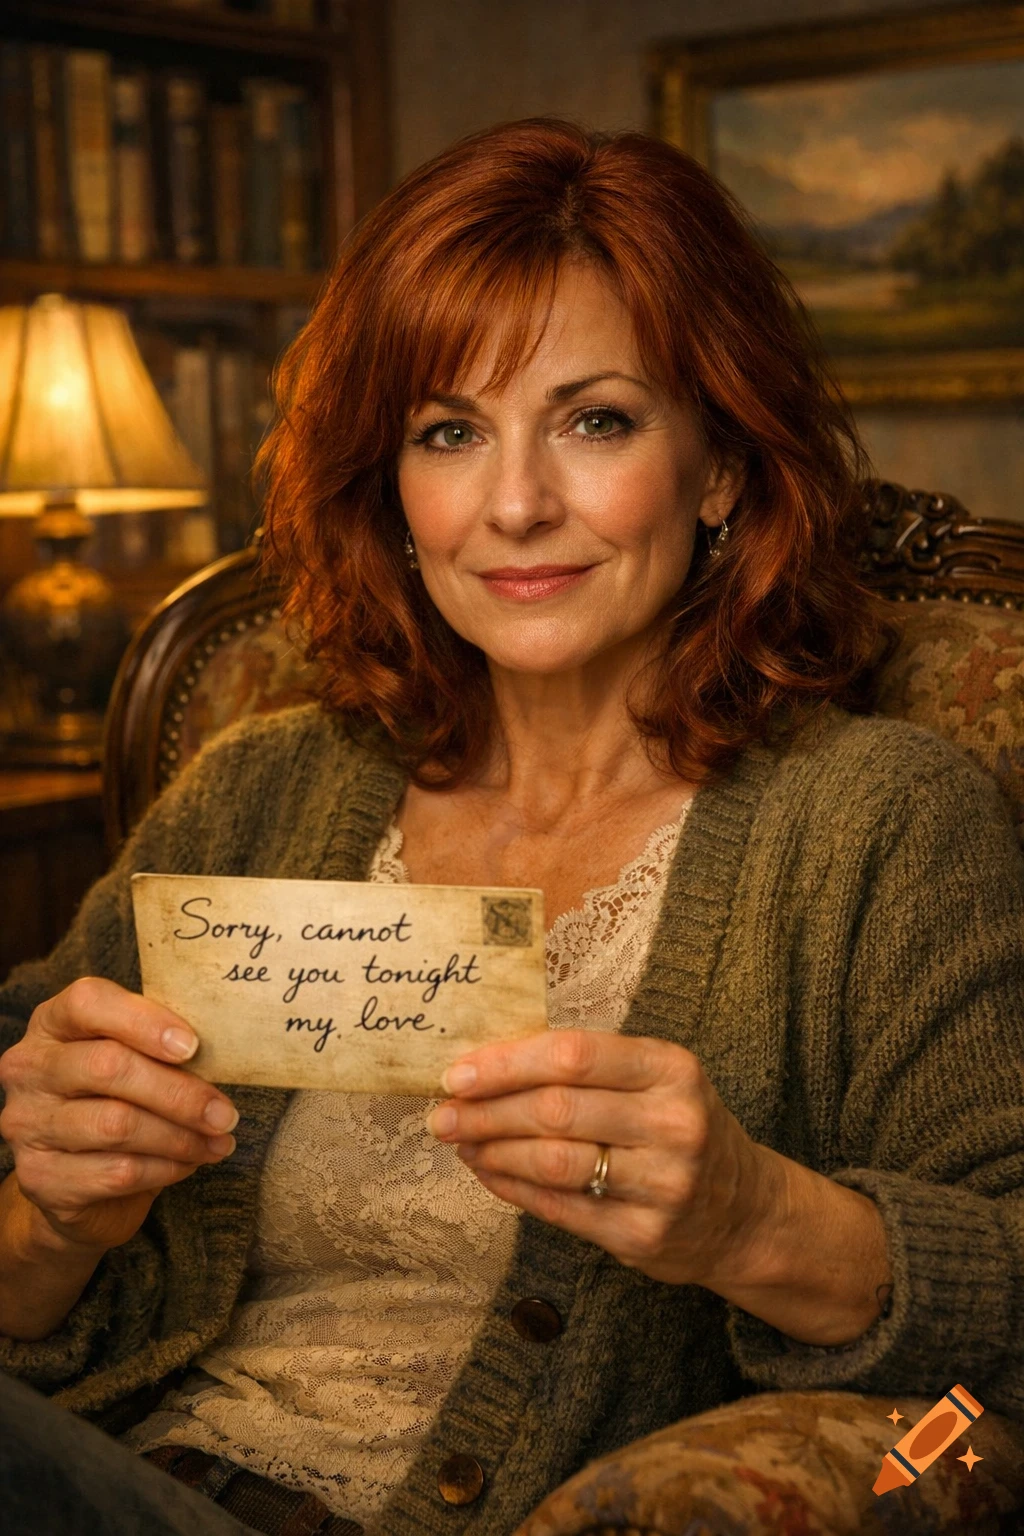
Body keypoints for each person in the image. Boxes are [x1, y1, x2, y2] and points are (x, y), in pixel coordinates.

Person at [1, 117, 1023, 1536]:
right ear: (396, 489)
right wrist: (51, 1220)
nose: (518, 504)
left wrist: (748, 1218)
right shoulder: (256, 790)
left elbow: (1000, 1367)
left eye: (595, 419)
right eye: (448, 432)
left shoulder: (877, 824)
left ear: (719, 466)